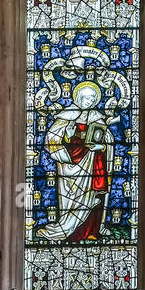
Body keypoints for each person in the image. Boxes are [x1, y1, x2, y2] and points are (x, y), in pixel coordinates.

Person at [39, 82, 114, 241]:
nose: (90, 101)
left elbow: (107, 140)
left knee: (94, 198)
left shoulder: (97, 117)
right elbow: (52, 139)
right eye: (86, 98)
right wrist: (68, 135)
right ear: (79, 98)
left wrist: (101, 146)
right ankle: (70, 230)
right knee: (72, 203)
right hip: (70, 167)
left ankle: (93, 231)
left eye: (93, 98)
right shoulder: (68, 115)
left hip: (93, 165)